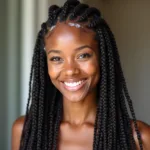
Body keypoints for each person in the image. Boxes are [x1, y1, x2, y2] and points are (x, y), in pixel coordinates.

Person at [12, 0, 150, 150]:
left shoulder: (139, 138)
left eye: (83, 55)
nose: (70, 70)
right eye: (56, 58)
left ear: (102, 58)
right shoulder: (25, 131)